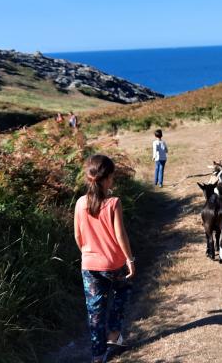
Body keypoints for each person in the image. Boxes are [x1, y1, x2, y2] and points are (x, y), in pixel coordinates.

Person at [74, 154, 136, 362]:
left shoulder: (80, 203)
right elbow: (121, 235)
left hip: (89, 265)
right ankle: (115, 333)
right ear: (107, 178)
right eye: (112, 176)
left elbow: (77, 236)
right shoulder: (113, 202)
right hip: (114, 263)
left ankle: (98, 356)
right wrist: (130, 259)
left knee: (95, 311)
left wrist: (87, 253)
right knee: (123, 290)